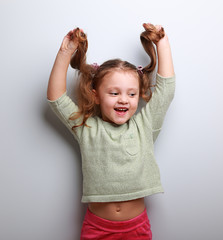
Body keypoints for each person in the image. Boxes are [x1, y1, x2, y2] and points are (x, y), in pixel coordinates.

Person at [47, 23, 175, 240]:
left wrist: (161, 41)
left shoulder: (144, 125)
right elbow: (56, 98)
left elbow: (166, 91)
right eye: (114, 93)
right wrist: (65, 52)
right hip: (97, 229)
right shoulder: (87, 128)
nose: (123, 99)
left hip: (137, 227)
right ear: (96, 96)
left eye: (131, 94)